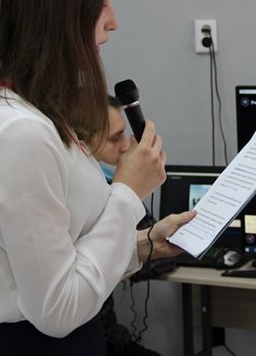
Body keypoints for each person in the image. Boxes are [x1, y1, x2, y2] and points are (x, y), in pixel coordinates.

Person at [0, 0, 195, 355]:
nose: (114, 21)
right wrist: (128, 192)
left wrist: (142, 245)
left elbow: (51, 264)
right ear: (54, 10)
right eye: (102, 2)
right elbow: (58, 308)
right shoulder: (19, 135)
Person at [90, 96, 161, 356]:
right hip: (98, 339)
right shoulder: (89, 196)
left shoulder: (111, 181)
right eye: (114, 138)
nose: (125, 146)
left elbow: (156, 250)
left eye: (124, 134)